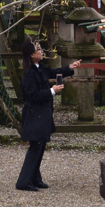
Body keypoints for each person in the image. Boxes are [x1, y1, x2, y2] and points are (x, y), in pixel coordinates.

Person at [16, 38, 79, 191]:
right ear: (31, 54)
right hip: (33, 114)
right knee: (35, 147)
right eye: (38, 49)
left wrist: (69, 67)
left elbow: (54, 72)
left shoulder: (40, 68)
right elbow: (33, 95)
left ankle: (35, 178)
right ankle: (23, 182)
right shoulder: (29, 74)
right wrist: (52, 91)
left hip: (42, 114)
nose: (41, 51)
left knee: (40, 145)